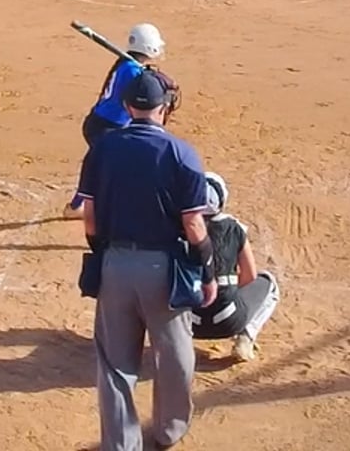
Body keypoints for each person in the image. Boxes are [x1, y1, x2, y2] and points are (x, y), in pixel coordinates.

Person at [75, 70, 216, 451]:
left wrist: (103, 256)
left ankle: (121, 444)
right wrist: (207, 270)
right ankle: (169, 429)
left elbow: (90, 217)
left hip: (115, 265)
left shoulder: (101, 149)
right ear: (163, 107)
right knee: (174, 355)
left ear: (127, 106)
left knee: (115, 364)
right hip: (165, 272)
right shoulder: (182, 153)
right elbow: (194, 224)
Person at [69, 23, 171, 212]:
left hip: (105, 124)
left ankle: (79, 205)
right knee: (110, 167)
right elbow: (133, 102)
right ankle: (80, 206)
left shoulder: (128, 65)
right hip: (107, 127)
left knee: (103, 166)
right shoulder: (132, 70)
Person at [190, 172, 281, 362]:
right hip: (229, 321)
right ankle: (246, 336)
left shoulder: (181, 229)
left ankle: (170, 341)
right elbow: (249, 275)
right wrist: (225, 288)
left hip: (189, 324)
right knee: (269, 282)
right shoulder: (233, 227)